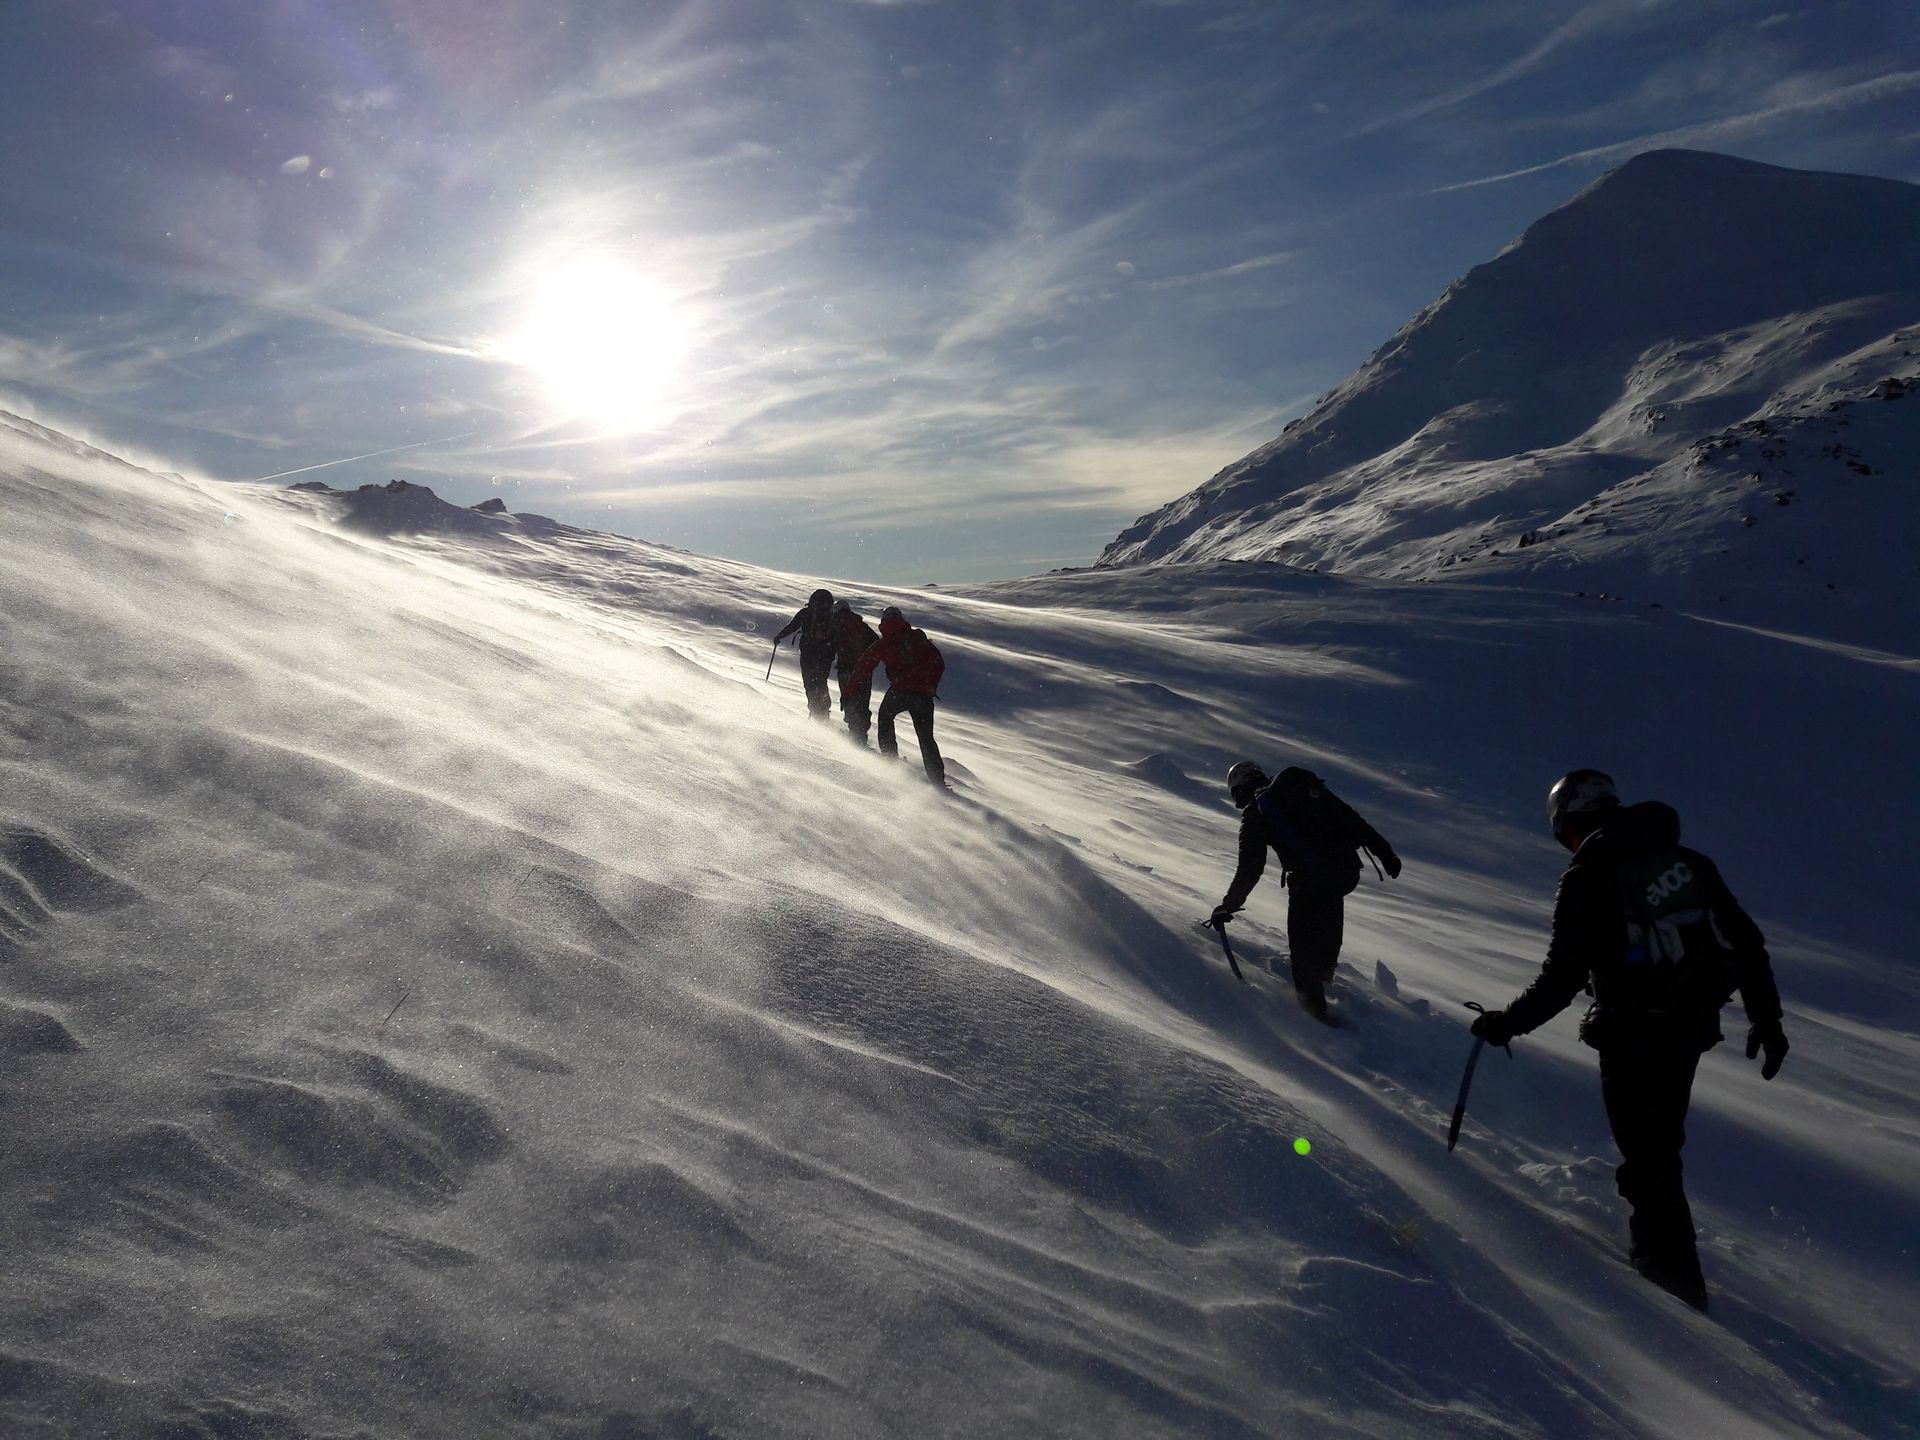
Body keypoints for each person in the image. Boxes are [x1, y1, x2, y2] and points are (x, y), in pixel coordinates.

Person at [1469, 769, 1788, 1312]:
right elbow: (1747, 942)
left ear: (1568, 821)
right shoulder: (1687, 862)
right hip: (1689, 1026)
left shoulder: (1587, 874)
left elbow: (1562, 975)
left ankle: (1670, 1289)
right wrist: (1767, 1020)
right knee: (1659, 1147)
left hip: (1632, 1030)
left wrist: (1505, 1024)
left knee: (1649, 1156)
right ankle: (1668, 1269)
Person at [1211, 762, 1400, 1018]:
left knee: (1304, 950)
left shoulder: (1258, 812)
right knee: (1327, 930)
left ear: (1240, 790)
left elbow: (1250, 867)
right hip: (1343, 872)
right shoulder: (1300, 790)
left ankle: (1313, 1019)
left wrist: (1228, 905)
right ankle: (1324, 983)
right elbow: (1350, 818)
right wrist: (1385, 852)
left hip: (1310, 881)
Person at [845, 606, 946, 787]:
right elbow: (938, 662)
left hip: (899, 691)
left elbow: (863, 668)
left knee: (885, 717)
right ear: (902, 618)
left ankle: (889, 762)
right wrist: (931, 685)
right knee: (925, 737)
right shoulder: (917, 638)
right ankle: (937, 780)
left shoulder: (884, 643)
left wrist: (848, 692)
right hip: (923, 694)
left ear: (883, 622)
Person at [772, 588, 837, 722]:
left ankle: (815, 711)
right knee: (821, 682)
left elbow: (793, 626)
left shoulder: (806, 613)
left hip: (809, 654)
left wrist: (779, 636)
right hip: (825, 656)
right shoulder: (832, 616)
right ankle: (824, 711)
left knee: (810, 683)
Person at [830, 599, 880, 745]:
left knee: (848, 699)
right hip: (864, 670)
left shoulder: (837, 624)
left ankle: (855, 734)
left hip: (846, 669)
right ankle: (861, 734)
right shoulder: (861, 625)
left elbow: (830, 643)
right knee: (863, 701)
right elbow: (876, 642)